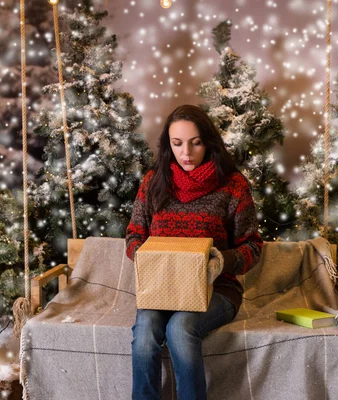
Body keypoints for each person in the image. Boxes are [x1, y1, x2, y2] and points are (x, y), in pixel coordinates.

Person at [125, 104, 263, 400]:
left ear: (208, 142)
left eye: (195, 142)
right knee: (145, 332)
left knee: (180, 328)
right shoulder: (153, 182)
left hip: (217, 288)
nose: (186, 152)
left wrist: (221, 261)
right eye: (177, 144)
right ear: (168, 145)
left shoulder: (233, 186)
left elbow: (252, 246)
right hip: (162, 288)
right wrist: (145, 256)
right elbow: (135, 234)